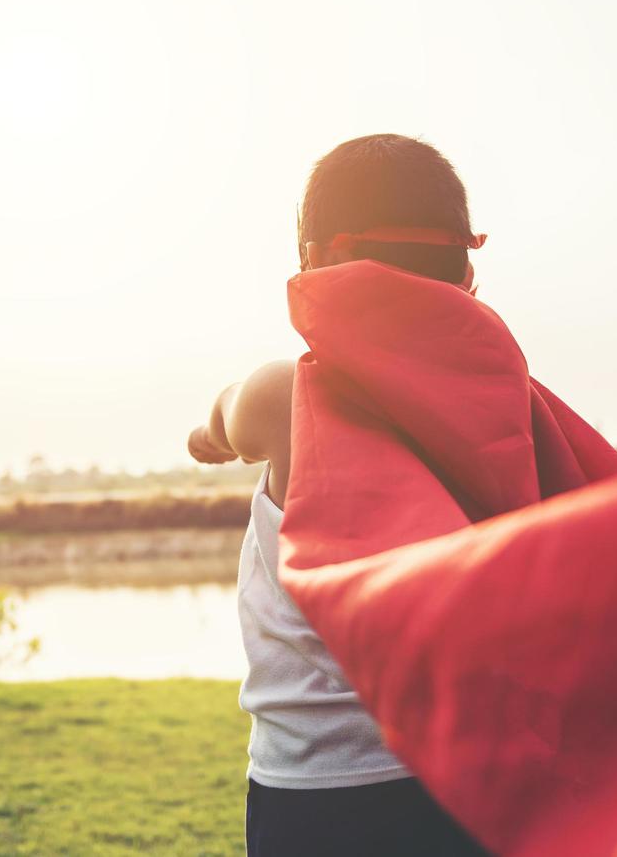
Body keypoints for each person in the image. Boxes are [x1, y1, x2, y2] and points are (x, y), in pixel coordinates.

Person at [188, 134, 494, 856]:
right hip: (469, 781)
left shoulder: (284, 395)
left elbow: (224, 416)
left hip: (323, 796)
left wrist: (209, 439)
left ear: (316, 262)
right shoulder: (500, 418)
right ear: (465, 269)